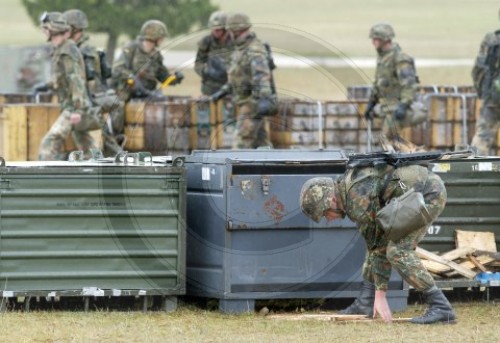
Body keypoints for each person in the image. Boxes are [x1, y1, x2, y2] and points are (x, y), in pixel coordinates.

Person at [299, 161, 456, 324]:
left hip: (428, 194)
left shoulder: (357, 201)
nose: (328, 220)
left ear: (331, 201)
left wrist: (380, 295)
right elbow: (373, 245)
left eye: (325, 214)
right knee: (373, 247)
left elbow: (379, 246)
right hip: (419, 191)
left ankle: (441, 307)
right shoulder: (348, 189)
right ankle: (365, 302)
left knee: (397, 252)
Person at [36, 12, 99, 161]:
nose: (44, 32)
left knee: (49, 143)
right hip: (71, 106)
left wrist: (77, 109)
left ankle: (45, 179)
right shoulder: (62, 48)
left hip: (73, 108)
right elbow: (63, 77)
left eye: (46, 28)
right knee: (87, 146)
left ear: (53, 29)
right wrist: (46, 86)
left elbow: (75, 79)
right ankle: (100, 171)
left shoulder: (67, 50)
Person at [210, 12, 276, 149]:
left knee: (240, 145)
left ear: (236, 31)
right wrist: (222, 92)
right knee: (262, 146)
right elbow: (237, 76)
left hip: (252, 104)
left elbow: (262, 76)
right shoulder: (241, 49)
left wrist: (264, 99)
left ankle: (235, 171)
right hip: (247, 103)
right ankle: (269, 170)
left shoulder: (254, 49)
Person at [62, 9, 123, 157]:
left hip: (90, 100)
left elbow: (90, 80)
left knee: (104, 138)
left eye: (65, 29)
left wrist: (84, 103)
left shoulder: (85, 50)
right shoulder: (75, 48)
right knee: (99, 138)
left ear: (74, 29)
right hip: (85, 100)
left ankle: (120, 161)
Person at [111, 19, 183, 138]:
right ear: (154, 37)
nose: (163, 40)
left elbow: (164, 78)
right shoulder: (131, 48)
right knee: (119, 108)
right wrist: (131, 77)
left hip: (148, 93)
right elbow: (117, 70)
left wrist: (175, 78)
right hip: (128, 92)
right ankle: (117, 137)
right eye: (161, 37)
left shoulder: (156, 55)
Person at [364, 23, 426, 152]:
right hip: (388, 108)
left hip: (397, 108)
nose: (373, 42)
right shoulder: (384, 58)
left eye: (376, 39)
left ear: (385, 40)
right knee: (390, 141)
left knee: (387, 139)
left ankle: (420, 157)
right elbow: (379, 84)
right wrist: (371, 103)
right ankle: (414, 156)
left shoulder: (400, 58)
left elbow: (409, 84)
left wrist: (403, 105)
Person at [471, 11, 500, 156]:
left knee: (482, 136)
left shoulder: (490, 40)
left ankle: (473, 170)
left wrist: (482, 93)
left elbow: (478, 70)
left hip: (492, 97)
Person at [194, 11, 234, 96]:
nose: (215, 31)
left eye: (218, 30)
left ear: (226, 29)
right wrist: (205, 72)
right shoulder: (206, 42)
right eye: (213, 29)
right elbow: (198, 63)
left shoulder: (235, 42)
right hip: (210, 87)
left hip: (230, 85)